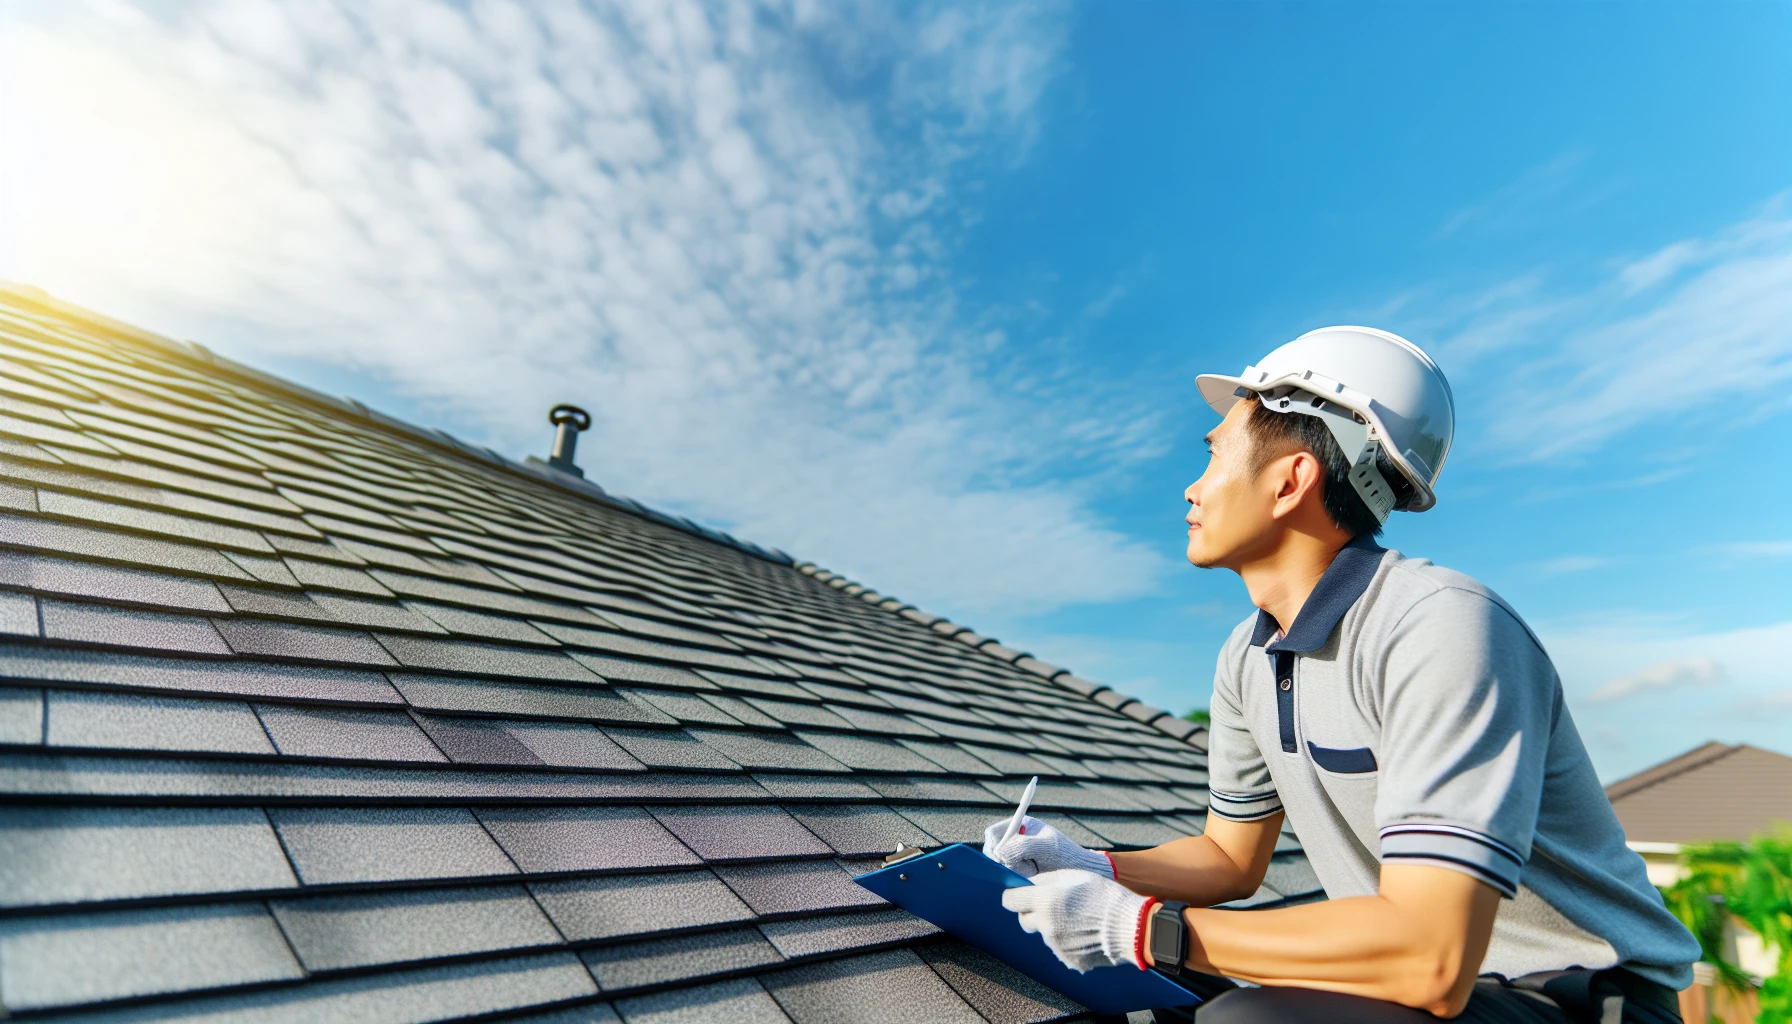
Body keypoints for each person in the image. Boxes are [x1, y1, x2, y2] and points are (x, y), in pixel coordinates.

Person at [986, 328, 1697, 1023]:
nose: (1192, 489)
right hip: (1429, 990)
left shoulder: (1440, 626)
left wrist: (1143, 930)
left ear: (1292, 480)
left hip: (1572, 997)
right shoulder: (1248, 654)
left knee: (1244, 1017)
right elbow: (1229, 860)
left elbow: (1434, 961)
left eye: (1213, 457)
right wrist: (1092, 868)